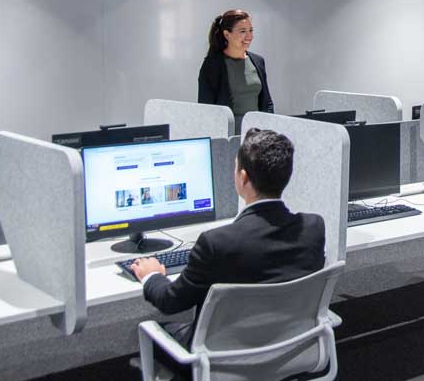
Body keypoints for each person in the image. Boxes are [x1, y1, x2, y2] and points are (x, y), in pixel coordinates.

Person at [129, 128, 325, 378]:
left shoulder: (217, 243)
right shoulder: (313, 228)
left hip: (220, 364)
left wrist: (151, 276)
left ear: (243, 178)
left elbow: (171, 301)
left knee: (158, 330)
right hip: (290, 350)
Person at [197, 10, 275, 130]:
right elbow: (207, 110)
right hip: (229, 134)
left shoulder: (258, 61)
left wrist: (268, 130)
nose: (249, 36)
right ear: (227, 34)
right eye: (243, 31)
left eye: (251, 30)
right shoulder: (212, 65)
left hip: (258, 134)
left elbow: (267, 102)